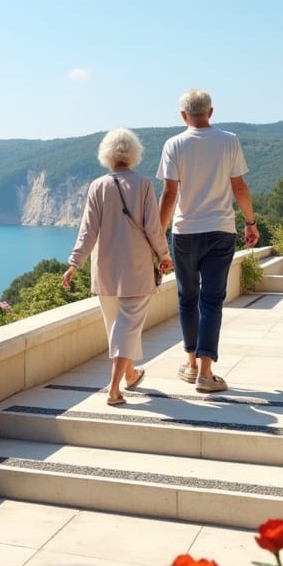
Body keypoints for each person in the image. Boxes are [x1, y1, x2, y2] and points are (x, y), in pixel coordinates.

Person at [156, 88, 259, 394]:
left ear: (183, 115)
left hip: (185, 233)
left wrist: (158, 238)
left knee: (187, 298)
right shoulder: (229, 141)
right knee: (212, 301)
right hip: (221, 231)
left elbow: (170, 194)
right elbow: (239, 186)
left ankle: (189, 364)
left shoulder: (173, 144)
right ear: (211, 112)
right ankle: (205, 372)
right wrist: (250, 222)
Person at [62, 127, 173, 406]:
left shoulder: (97, 186)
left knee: (117, 327)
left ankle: (131, 374)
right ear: (134, 153)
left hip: (106, 271)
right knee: (127, 326)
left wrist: (74, 263)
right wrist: (163, 255)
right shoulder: (143, 184)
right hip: (136, 269)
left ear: (107, 154)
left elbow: (88, 231)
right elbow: (152, 227)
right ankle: (113, 389)